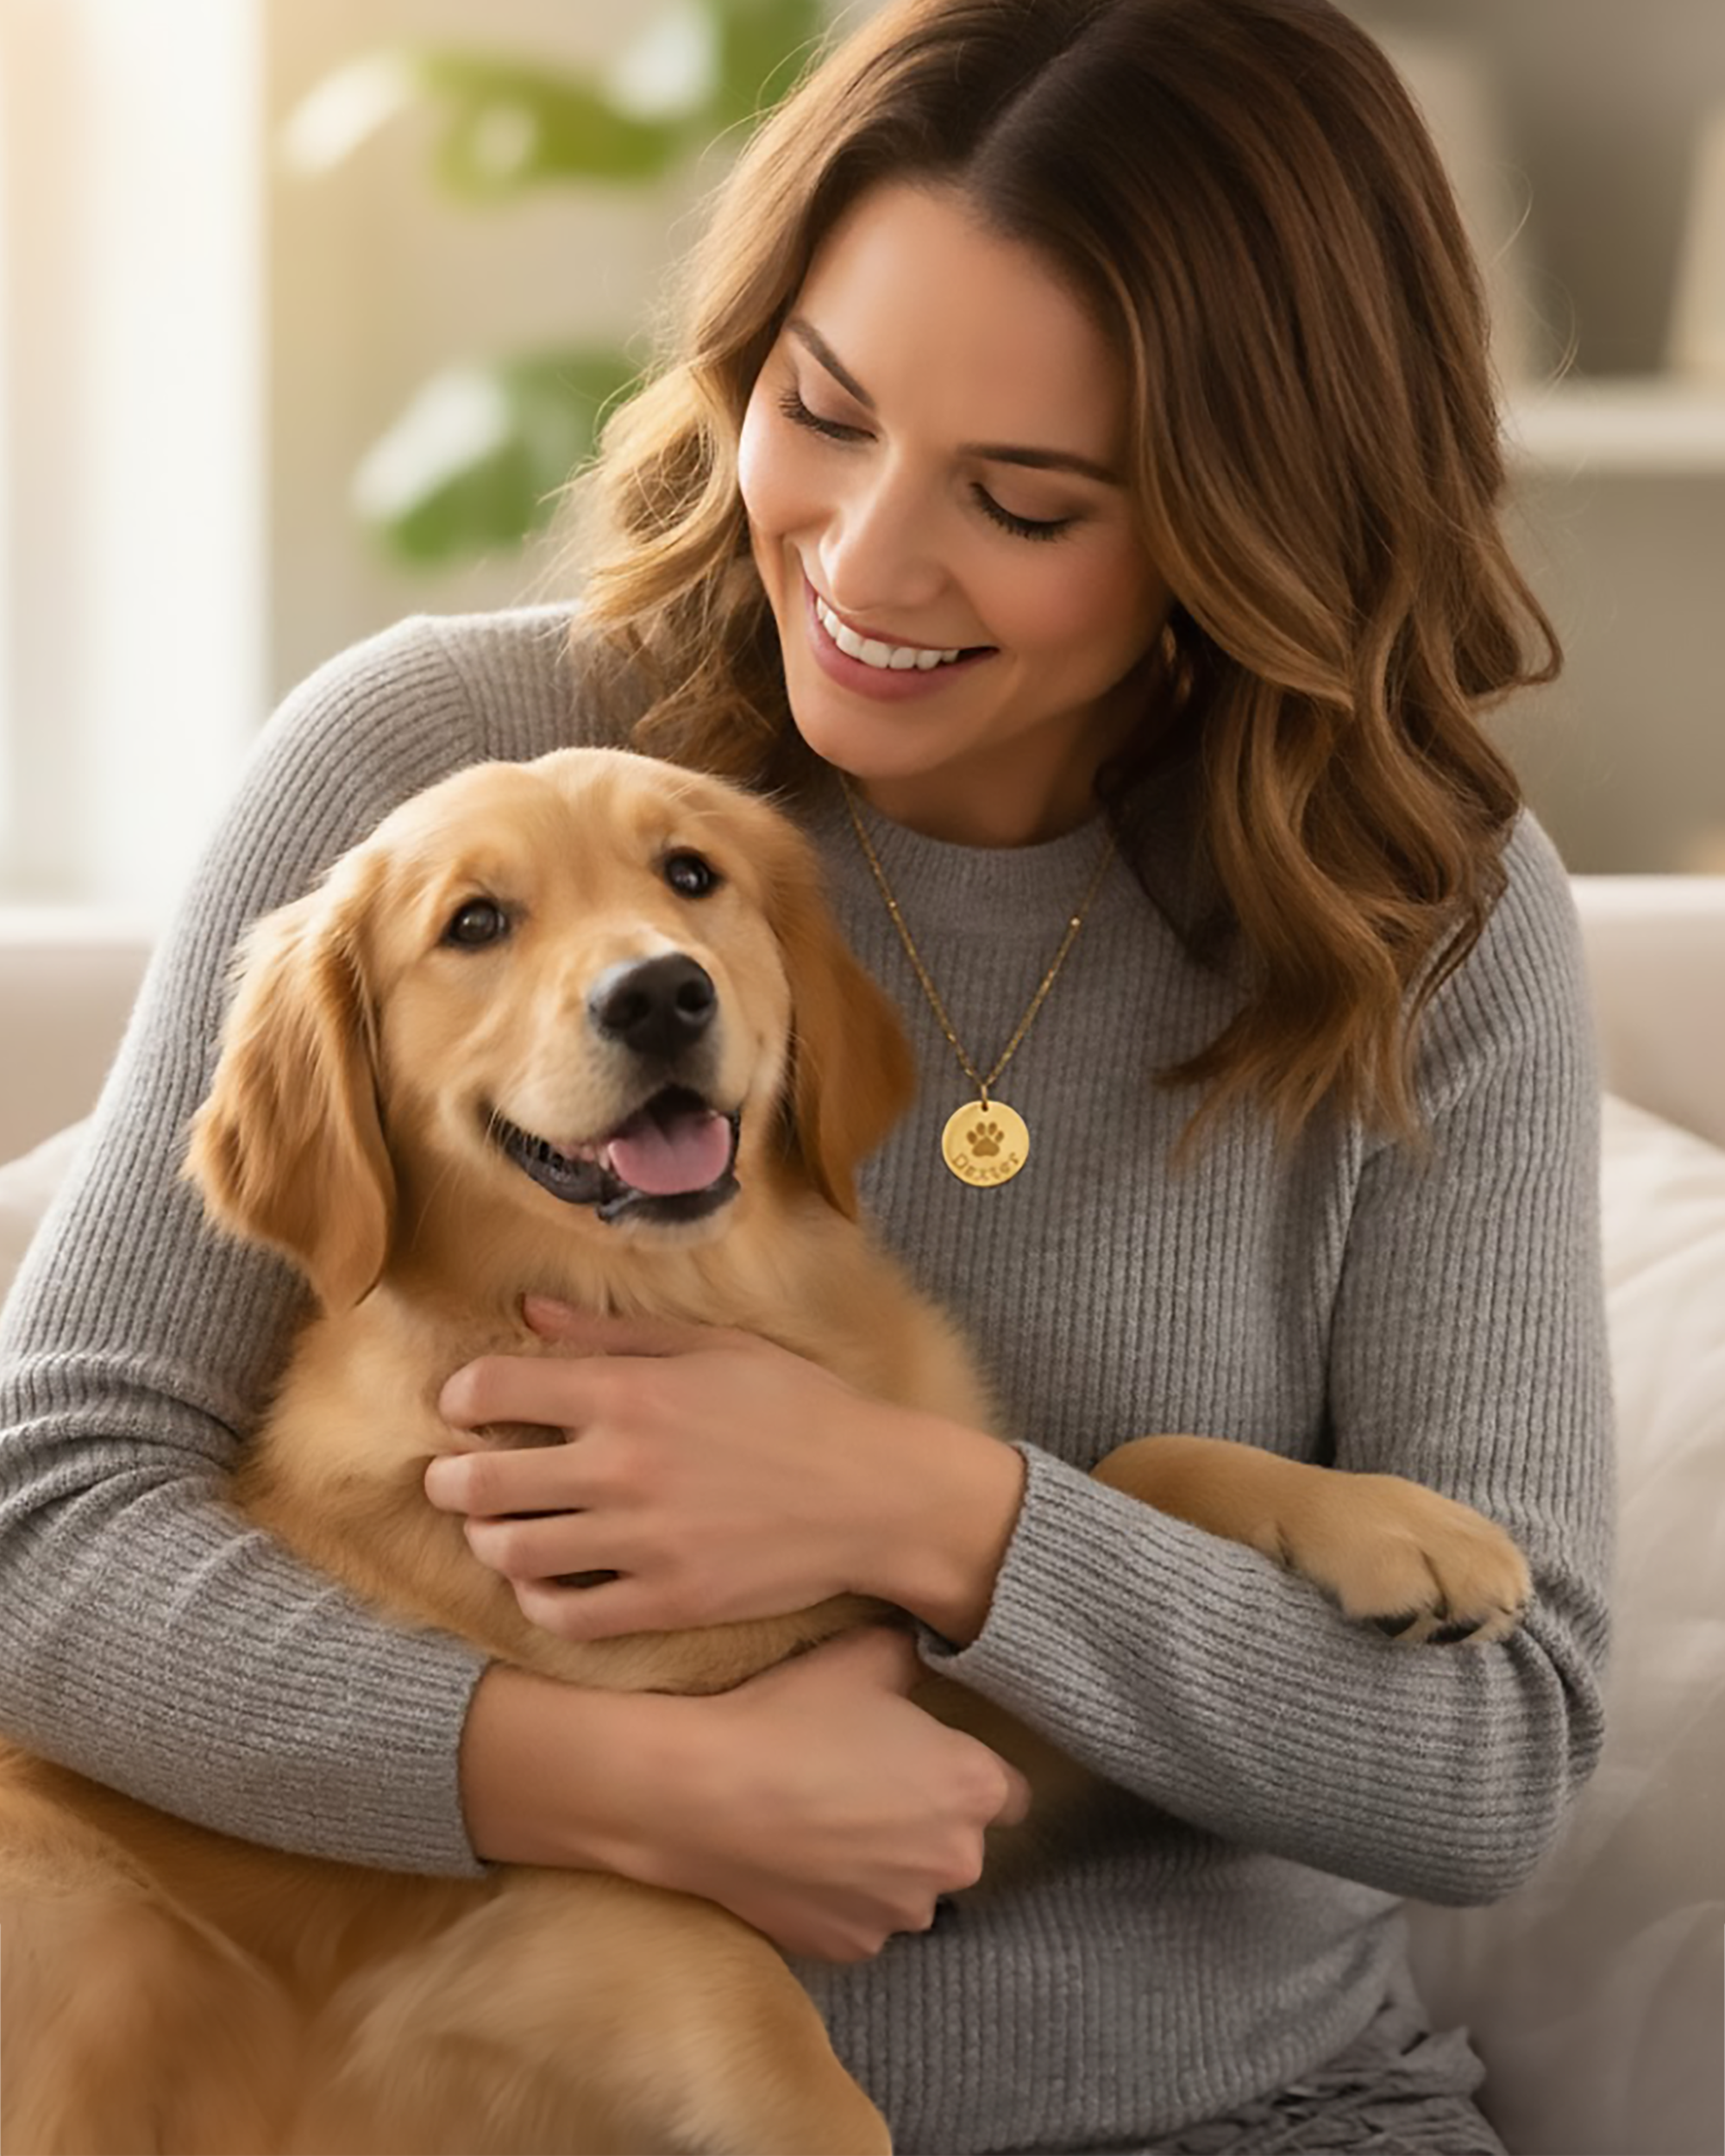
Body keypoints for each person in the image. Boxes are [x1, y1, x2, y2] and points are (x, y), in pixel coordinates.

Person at [0, 0, 1612, 2148]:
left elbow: (1492, 1747)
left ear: (1256, 522)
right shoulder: (425, 773)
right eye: (819, 409)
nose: (861, 562)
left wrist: (924, 1506)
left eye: (1020, 500)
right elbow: (44, 1530)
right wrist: (628, 1781)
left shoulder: (1431, 916)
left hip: (1251, 2113)